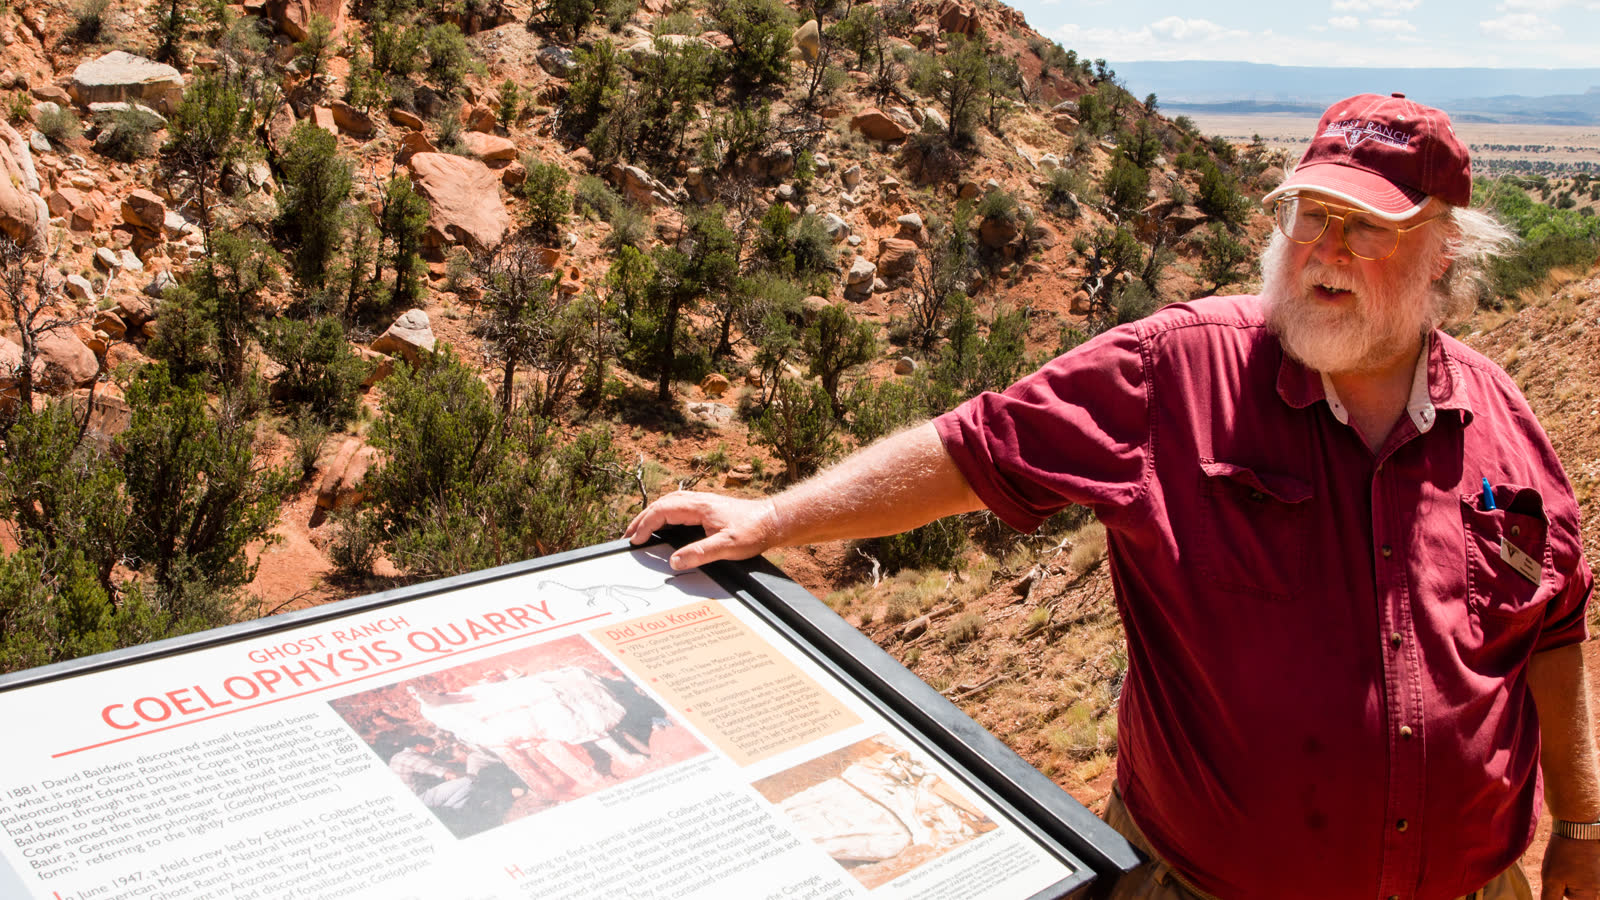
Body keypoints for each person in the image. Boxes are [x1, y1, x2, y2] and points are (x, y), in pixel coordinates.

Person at [626, 93, 1598, 900]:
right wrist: (773, 518)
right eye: (1310, 214)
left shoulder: (1499, 416)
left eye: (1368, 228)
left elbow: (1552, 625)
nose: (1325, 249)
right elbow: (970, 451)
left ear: (1442, 251)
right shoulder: (1174, 368)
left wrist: (1584, 821)